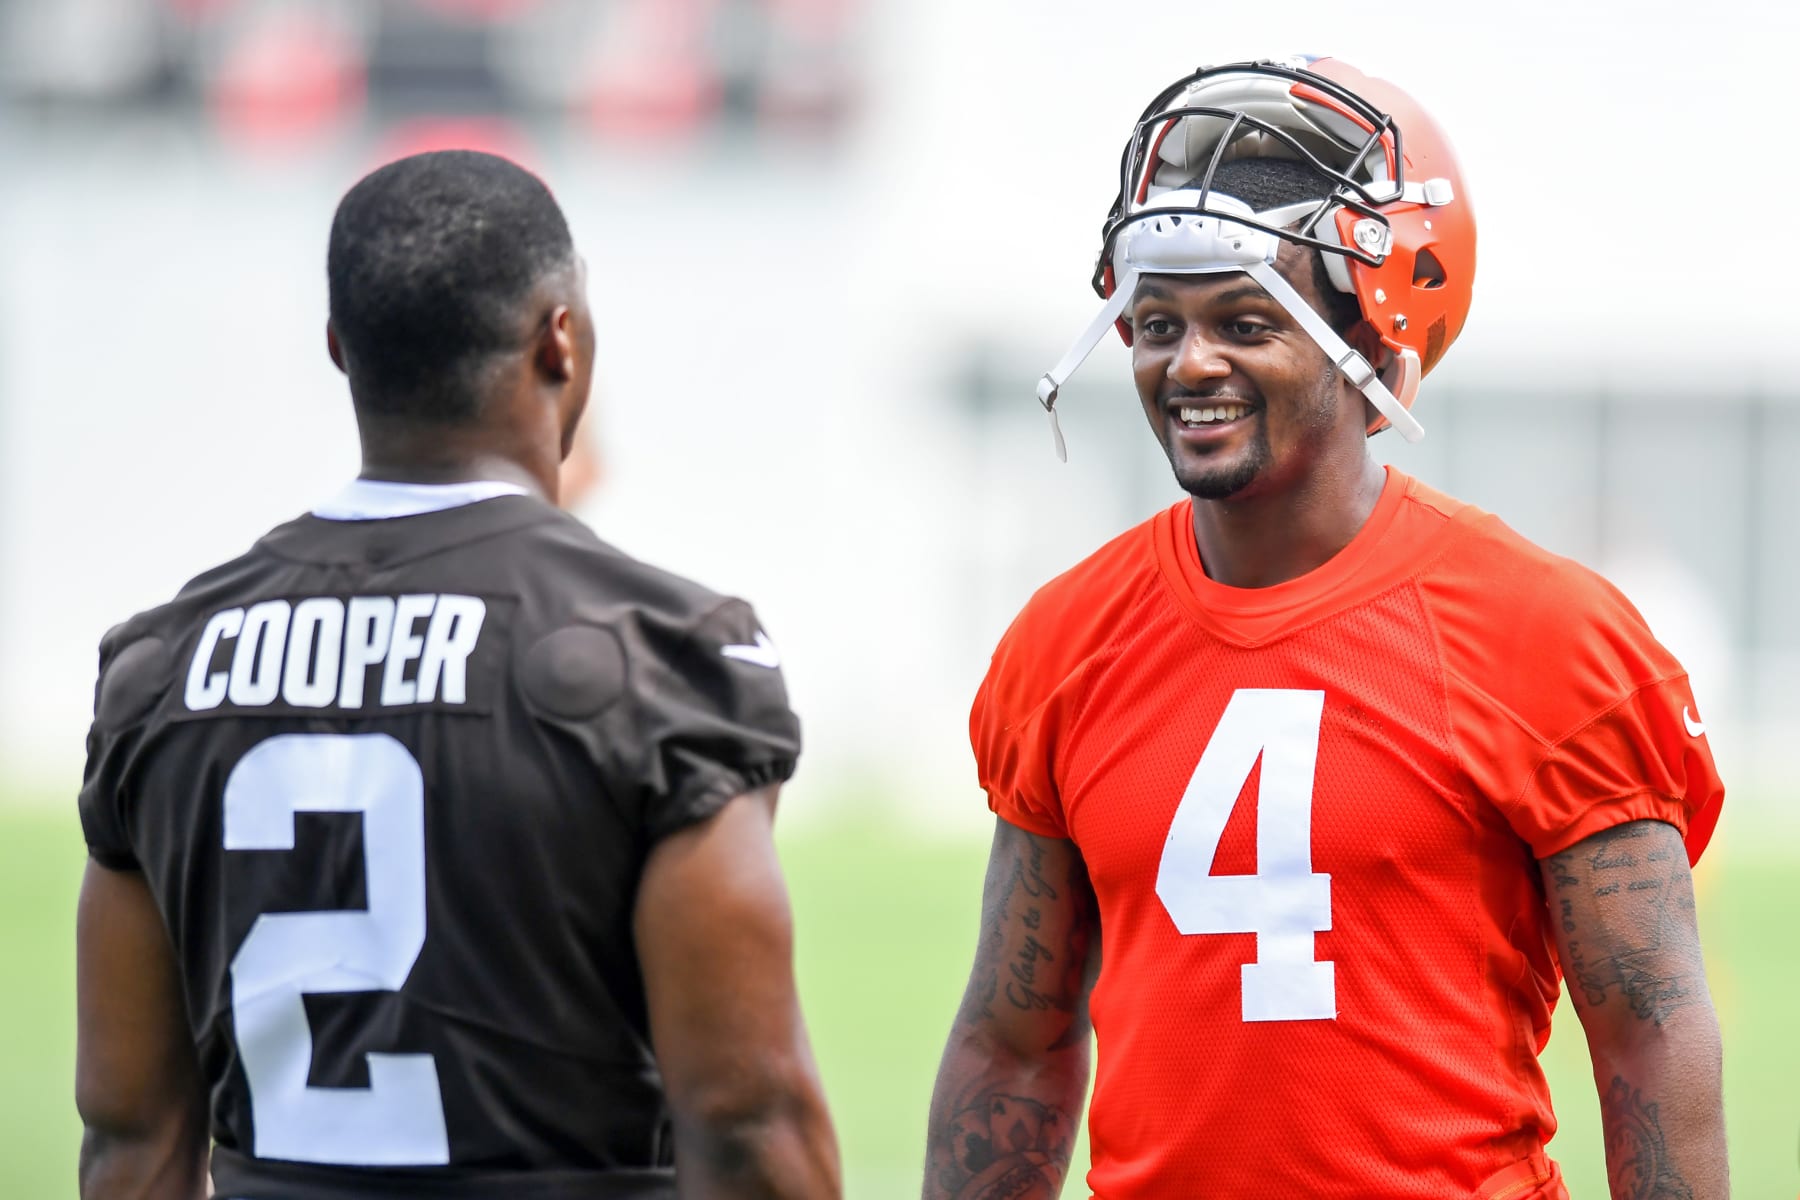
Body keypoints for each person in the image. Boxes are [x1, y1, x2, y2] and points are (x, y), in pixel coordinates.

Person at [923, 58, 1726, 1200]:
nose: (1189, 362)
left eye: (1246, 321)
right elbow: (1013, 1042)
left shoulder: (1546, 635)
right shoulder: (1066, 640)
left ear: (1377, 349)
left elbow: (1650, 1035)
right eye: (1157, 323)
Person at [75, 150, 840, 1200]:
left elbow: (134, 1144)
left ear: (341, 349)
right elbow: (747, 1119)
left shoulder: (161, 669)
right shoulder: (667, 658)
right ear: (559, 340)